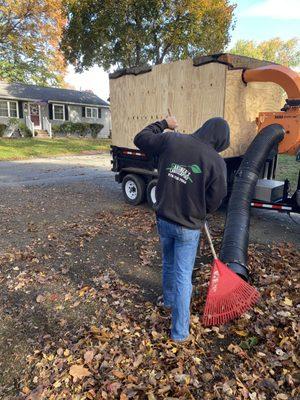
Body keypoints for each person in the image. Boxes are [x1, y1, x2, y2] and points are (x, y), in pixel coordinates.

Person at [134, 116, 230, 342]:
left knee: (169, 263)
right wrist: (202, 211)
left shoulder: (172, 140)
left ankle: (168, 301)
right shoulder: (216, 162)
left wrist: (163, 123)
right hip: (188, 227)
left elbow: (141, 138)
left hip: (164, 219)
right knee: (183, 276)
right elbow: (217, 198)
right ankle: (179, 333)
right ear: (220, 140)